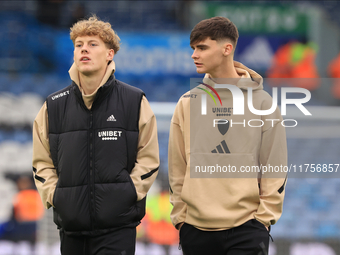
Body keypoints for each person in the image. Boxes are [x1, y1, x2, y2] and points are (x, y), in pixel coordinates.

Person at [32, 15, 159, 255]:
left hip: (118, 227)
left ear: (110, 54)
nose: (84, 50)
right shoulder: (53, 106)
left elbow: (149, 159)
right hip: (71, 229)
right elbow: (41, 163)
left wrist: (128, 193)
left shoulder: (134, 101)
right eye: (79, 45)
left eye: (92, 44)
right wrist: (56, 196)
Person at [168, 17, 287, 255]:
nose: (194, 55)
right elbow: (177, 167)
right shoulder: (186, 103)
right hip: (195, 230)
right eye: (193, 49)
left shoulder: (263, 103)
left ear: (227, 48)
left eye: (202, 47)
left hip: (247, 230)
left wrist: (263, 220)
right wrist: (181, 218)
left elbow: (275, 166)